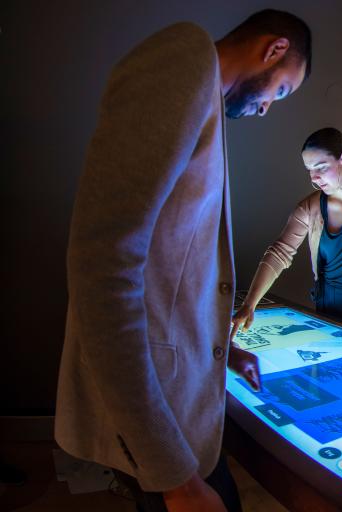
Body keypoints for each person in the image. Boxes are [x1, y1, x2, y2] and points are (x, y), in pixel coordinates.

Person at [55, 10, 312, 512]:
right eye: (280, 90)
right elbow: (103, 268)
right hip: (151, 410)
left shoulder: (204, 95)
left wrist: (222, 350)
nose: (267, 108)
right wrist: (175, 478)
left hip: (168, 397)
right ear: (274, 49)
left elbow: (167, 266)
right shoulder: (184, 56)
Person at [231, 127, 342, 339]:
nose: (315, 177)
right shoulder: (309, 207)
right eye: (309, 169)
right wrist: (249, 304)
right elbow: (279, 253)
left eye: (321, 167)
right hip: (326, 303)